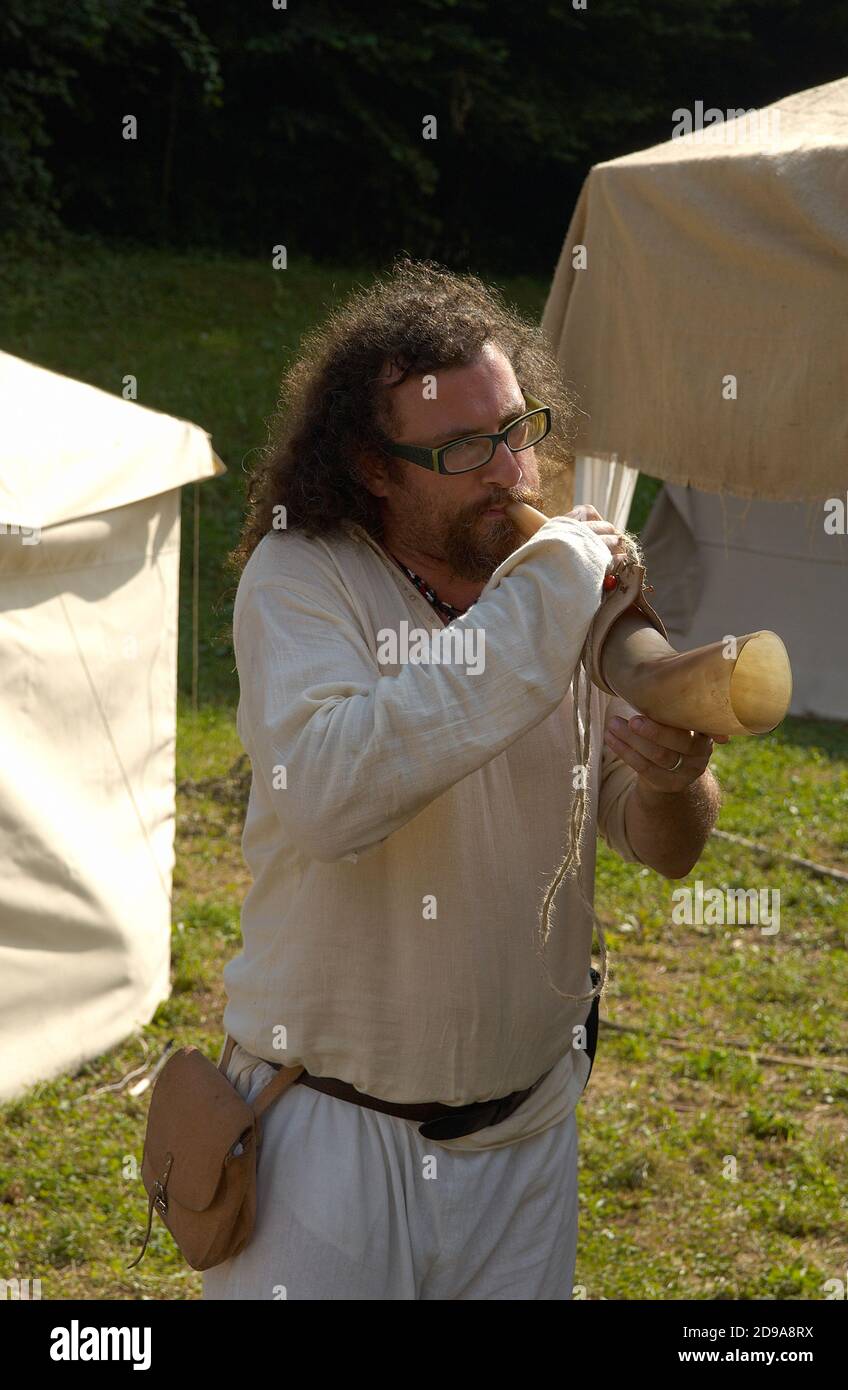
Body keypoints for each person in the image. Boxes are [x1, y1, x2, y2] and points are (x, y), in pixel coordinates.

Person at [203, 257, 722, 1301]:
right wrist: (552, 596)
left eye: (516, 429)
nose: (508, 473)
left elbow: (660, 843)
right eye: (461, 448)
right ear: (373, 464)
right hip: (331, 1143)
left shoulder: (549, 581)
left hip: (525, 1138)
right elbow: (334, 794)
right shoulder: (303, 577)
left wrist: (671, 777)